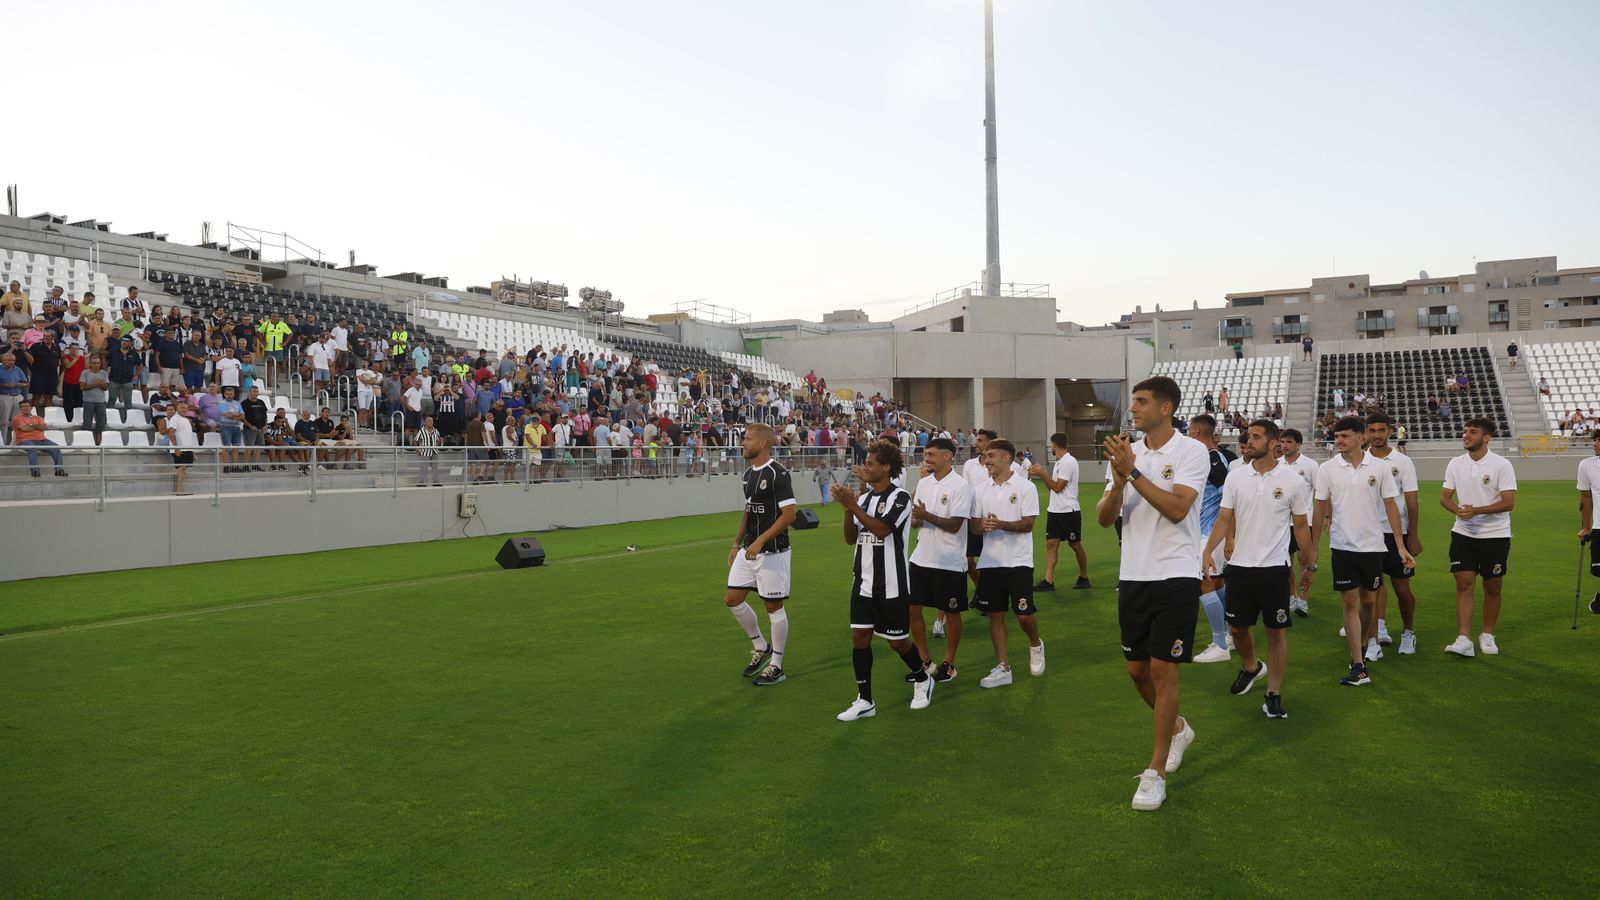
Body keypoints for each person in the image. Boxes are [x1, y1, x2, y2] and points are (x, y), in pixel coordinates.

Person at [1096, 376, 1209, 811]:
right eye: (1134, 402)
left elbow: (1179, 507)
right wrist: (1121, 480)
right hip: (1134, 575)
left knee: (1163, 671)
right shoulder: (1129, 453)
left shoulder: (1190, 451)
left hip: (1176, 573)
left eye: (1142, 402)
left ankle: (1155, 772)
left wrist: (1134, 472)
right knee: (1136, 671)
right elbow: (1106, 518)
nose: (1134, 409)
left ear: (1166, 408)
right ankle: (1178, 727)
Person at [1202, 419, 1314, 719]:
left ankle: (1273, 694)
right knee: (1237, 629)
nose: (1248, 442)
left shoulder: (1293, 481)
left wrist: (1309, 560)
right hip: (1239, 567)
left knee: (1276, 633)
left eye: (1255, 437)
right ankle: (1252, 667)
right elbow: (1224, 518)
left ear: (1274, 442)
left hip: (1275, 569)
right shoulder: (1236, 477)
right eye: (1248, 436)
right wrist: (1206, 551)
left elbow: (1301, 525)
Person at [831, 442, 931, 721]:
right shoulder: (863, 499)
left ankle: (923, 677)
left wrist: (853, 504)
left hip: (891, 583)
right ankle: (865, 700)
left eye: (871, 463)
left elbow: (883, 530)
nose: (866, 468)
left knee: (897, 642)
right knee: (860, 639)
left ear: (886, 467)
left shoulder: (900, 498)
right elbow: (851, 538)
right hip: (862, 581)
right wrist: (848, 510)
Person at [1312, 416, 1413, 687]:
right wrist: (1312, 548)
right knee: (1350, 602)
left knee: (1369, 602)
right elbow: (1320, 507)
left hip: (1373, 546)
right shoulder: (1327, 469)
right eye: (1337, 436)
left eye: (1345, 436)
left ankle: (1370, 641)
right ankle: (1358, 664)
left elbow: (1391, 505)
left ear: (1360, 437)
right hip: (1342, 546)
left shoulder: (1379, 468)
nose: (1339, 441)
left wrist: (1401, 546)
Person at [724, 423, 799, 687]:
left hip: (772, 551)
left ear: (763, 444)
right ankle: (760, 646)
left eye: (747, 439)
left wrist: (760, 541)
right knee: (732, 599)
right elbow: (749, 511)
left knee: (773, 606)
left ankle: (777, 665)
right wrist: (737, 544)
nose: (743, 443)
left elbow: (789, 515)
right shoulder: (747, 474)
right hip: (749, 549)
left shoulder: (778, 474)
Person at [970, 438, 1044, 689]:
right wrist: (983, 526)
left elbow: (1028, 524)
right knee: (996, 615)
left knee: (1024, 615)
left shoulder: (1025, 487)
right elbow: (974, 527)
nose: (986, 460)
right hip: (990, 562)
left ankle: (1035, 643)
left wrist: (1000, 524)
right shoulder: (980, 490)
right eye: (985, 456)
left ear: (1006, 458)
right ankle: (1004, 667)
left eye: (990, 456)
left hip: (1019, 561)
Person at [1440, 418, 1517, 657]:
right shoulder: (1455, 463)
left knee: (1492, 585)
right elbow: (1445, 497)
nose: (1466, 435)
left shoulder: (1501, 465)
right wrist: (1458, 511)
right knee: (1464, 584)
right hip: (1463, 533)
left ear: (1486, 438)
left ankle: (1487, 634)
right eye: (1464, 431)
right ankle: (1464, 639)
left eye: (1472, 432)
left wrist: (1477, 510)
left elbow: (1508, 503)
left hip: (1495, 535)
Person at [906, 437, 973, 682]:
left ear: (947, 456)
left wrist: (926, 515)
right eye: (927, 454)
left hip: (949, 561)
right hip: (921, 558)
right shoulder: (923, 484)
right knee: (913, 610)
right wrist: (917, 518)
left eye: (932, 454)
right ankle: (925, 661)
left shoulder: (961, 486)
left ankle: (949, 663)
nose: (927, 458)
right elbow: (915, 522)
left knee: (952, 613)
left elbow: (955, 525)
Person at [1365, 413, 1422, 656]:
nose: (1376, 435)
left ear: (1390, 431)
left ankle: (1409, 632)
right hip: (1368, 534)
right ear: (1366, 432)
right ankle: (1378, 628)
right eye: (1372, 430)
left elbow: (1411, 501)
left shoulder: (1403, 462)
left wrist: (1413, 535)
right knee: (1373, 586)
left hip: (1397, 533)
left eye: (1381, 430)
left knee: (1402, 588)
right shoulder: (1360, 459)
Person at [1184, 414, 1237, 663]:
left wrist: (1228, 536)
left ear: (1195, 432)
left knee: (1204, 584)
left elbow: (1229, 500)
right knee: (1217, 584)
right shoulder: (1212, 457)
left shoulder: (1211, 459)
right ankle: (1230, 635)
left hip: (1209, 532)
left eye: (1188, 431)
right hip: (1207, 532)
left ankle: (1220, 644)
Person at [1032, 432, 1089, 592]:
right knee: (1051, 544)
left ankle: (1084, 577)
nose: (1051, 447)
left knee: (1075, 544)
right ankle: (1048, 581)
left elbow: (1057, 487)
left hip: (1068, 511)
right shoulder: (1059, 463)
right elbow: (1052, 487)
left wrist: (1043, 474)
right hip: (1055, 510)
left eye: (1051, 445)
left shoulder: (1069, 462)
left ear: (1054, 445)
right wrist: (1044, 476)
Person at [960, 428, 998, 587]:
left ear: (990, 443)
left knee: (991, 561)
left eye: (980, 440)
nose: (976, 443)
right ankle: (981, 589)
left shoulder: (998, 465)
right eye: (976, 440)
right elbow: (965, 489)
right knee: (967, 560)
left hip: (991, 519)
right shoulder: (969, 464)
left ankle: (991, 594)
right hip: (972, 518)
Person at [9, 400, 67, 477]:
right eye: (22, 407)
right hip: (25, 440)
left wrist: (31, 425)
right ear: (20, 408)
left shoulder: (38, 417)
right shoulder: (17, 418)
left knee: (55, 447)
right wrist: (37, 426)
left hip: (42, 439)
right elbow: (24, 429)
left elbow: (45, 427)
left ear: (31, 407)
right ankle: (35, 471)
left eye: (27, 406)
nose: (25, 408)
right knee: (32, 448)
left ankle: (59, 470)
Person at [1578, 431, 1600, 615]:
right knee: (1598, 569)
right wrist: (1586, 527)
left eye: (1599, 440)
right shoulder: (1587, 465)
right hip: (1599, 527)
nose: (1595, 443)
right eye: (1595, 439)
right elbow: (1585, 497)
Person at [167, 399, 199, 495]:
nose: (184, 409)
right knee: (181, 469)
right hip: (180, 449)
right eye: (182, 408)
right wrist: (176, 448)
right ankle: (179, 491)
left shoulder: (186, 420)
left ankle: (181, 490)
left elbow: (187, 436)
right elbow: (171, 434)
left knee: (183, 469)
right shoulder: (174, 419)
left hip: (187, 449)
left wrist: (191, 451)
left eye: (185, 408)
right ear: (177, 409)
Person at [79, 355, 110, 445]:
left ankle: (98, 445)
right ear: (90, 364)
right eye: (94, 363)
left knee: (100, 425)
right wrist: (96, 384)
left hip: (101, 402)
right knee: (87, 424)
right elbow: (82, 387)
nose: (96, 365)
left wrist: (102, 384)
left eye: (98, 363)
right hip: (88, 401)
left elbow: (106, 388)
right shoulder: (85, 373)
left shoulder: (104, 373)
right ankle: (86, 444)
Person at [415, 416, 443, 486]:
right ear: (425, 422)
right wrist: (417, 450)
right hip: (425, 452)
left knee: (435, 468)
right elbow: (416, 440)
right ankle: (420, 482)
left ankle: (436, 482)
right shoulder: (422, 431)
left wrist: (437, 446)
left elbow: (439, 440)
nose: (430, 422)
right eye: (429, 421)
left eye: (431, 421)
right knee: (423, 468)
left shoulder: (435, 430)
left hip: (434, 452)